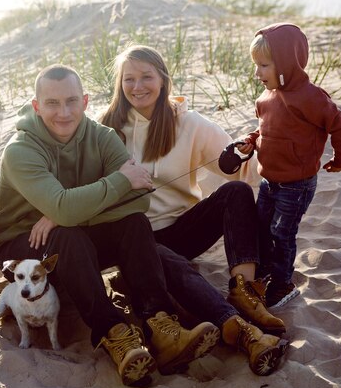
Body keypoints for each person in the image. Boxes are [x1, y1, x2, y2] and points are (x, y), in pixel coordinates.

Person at [0, 64, 222, 387]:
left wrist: (64, 212)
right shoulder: (20, 150)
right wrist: (108, 189)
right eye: (52, 104)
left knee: (133, 223)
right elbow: (106, 194)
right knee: (69, 235)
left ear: (84, 101)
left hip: (71, 232)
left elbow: (139, 200)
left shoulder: (102, 136)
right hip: (22, 242)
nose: (64, 112)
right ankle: (114, 333)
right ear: (37, 107)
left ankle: (160, 325)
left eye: (71, 101)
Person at [99, 45, 286, 335]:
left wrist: (269, 146)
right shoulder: (105, 127)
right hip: (135, 241)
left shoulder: (189, 123)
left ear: (162, 80)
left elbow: (238, 169)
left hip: (183, 231)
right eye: (129, 79)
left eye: (146, 77)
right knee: (148, 250)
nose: (137, 87)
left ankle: (245, 292)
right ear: (119, 84)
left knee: (236, 192)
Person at [241, 23, 341, 307]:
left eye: (264, 66)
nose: (258, 74)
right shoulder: (265, 99)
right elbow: (266, 129)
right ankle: (266, 269)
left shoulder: (312, 98)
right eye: (256, 66)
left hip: (297, 184)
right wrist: (251, 140)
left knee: (282, 232)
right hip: (269, 181)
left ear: (286, 63)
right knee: (262, 226)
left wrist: (340, 159)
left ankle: (283, 283)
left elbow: (340, 128)